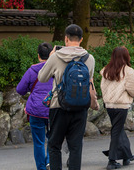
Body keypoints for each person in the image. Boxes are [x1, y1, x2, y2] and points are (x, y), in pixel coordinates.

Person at [39, 24, 97, 170]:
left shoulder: (56, 57)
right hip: (80, 107)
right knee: (76, 146)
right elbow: (90, 80)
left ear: (65, 38)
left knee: (54, 145)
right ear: (81, 39)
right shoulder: (89, 58)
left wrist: (50, 59)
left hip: (59, 105)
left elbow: (42, 78)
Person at [100, 46, 134, 169]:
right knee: (116, 130)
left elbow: (103, 88)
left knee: (118, 129)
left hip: (109, 105)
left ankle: (127, 155)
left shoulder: (106, 70)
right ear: (126, 56)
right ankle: (112, 160)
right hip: (121, 105)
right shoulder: (128, 71)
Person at [16, 42, 54, 170]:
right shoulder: (57, 69)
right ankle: (50, 161)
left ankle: (41, 168)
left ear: (38, 56)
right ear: (52, 55)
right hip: (53, 109)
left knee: (38, 142)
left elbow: (20, 89)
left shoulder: (32, 71)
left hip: (36, 110)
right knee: (53, 139)